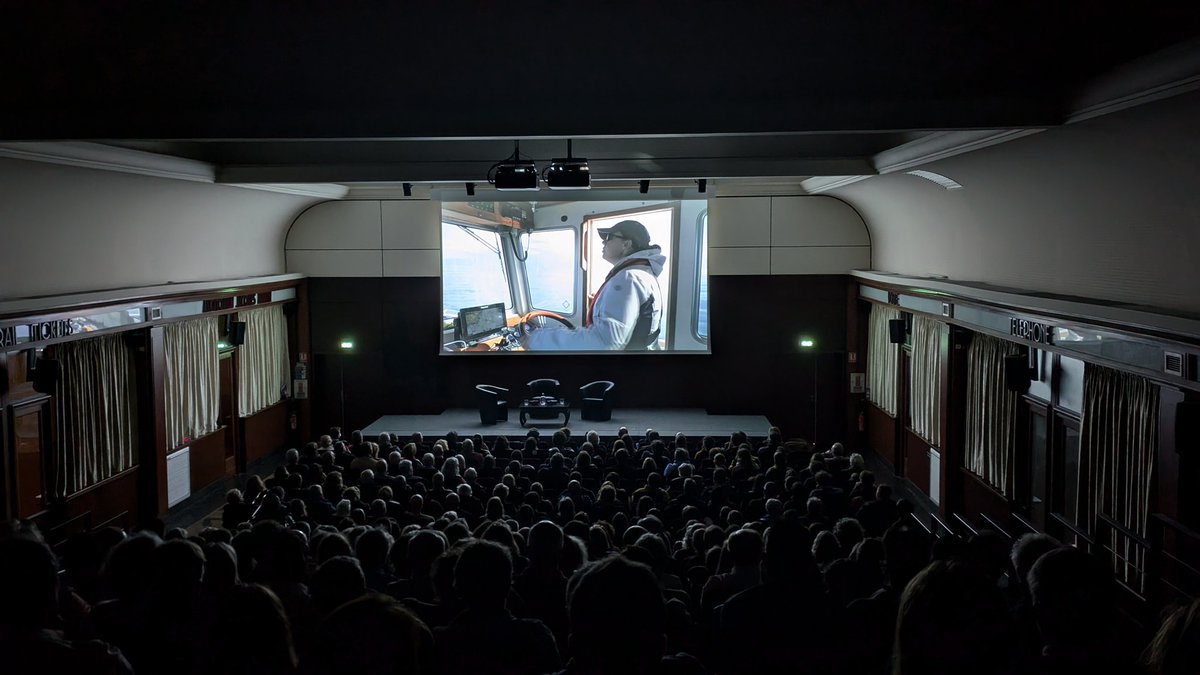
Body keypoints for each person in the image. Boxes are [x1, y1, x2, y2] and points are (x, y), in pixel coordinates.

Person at [523, 220, 665, 351]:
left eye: (609, 237)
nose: (604, 242)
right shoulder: (641, 273)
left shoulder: (629, 278)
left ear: (626, 244)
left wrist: (537, 338)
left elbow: (606, 342)